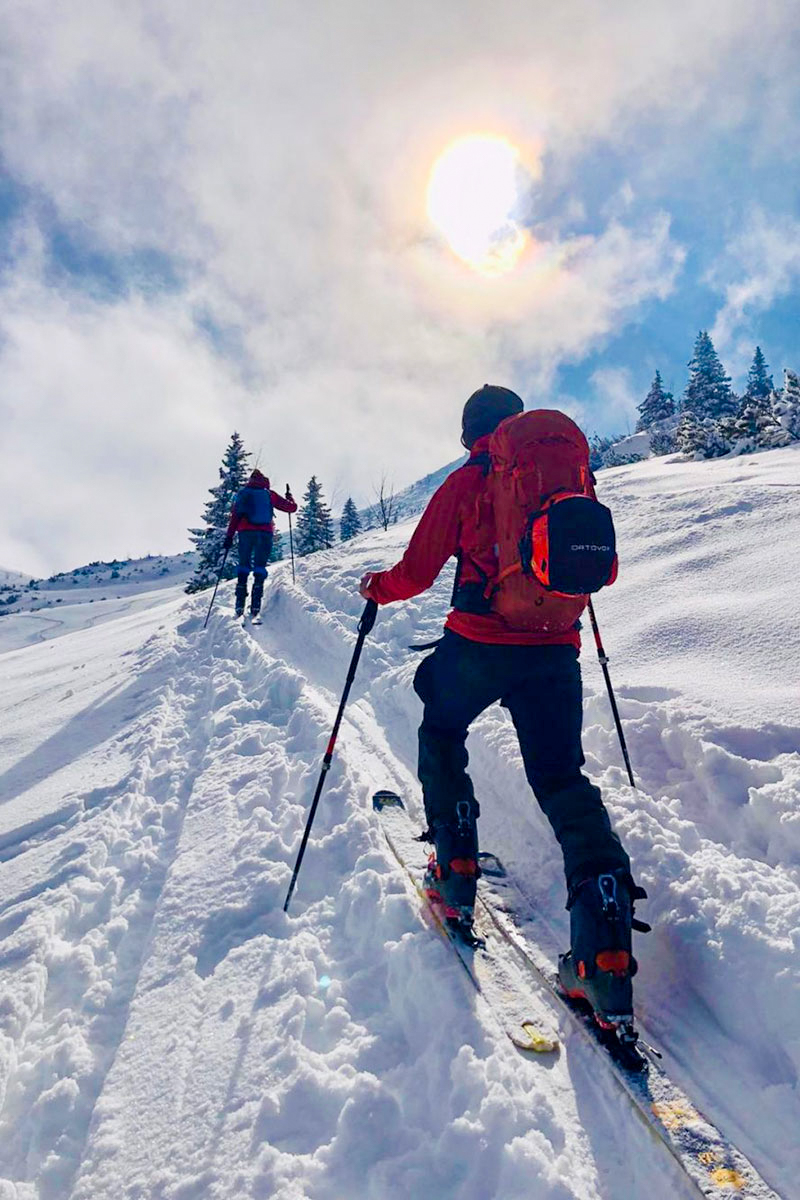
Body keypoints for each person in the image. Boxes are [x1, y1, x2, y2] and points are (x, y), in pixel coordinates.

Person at [359, 385, 646, 1026]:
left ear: (470, 434)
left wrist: (375, 588)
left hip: (479, 643)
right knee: (562, 779)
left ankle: (456, 866)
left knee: (441, 730)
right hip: (554, 649)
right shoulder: (564, 476)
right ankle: (603, 956)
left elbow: (417, 570)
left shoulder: (466, 482)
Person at [224, 470, 297, 618]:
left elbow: (235, 516)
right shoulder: (269, 494)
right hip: (265, 533)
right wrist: (290, 497)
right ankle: (256, 605)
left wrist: (229, 537)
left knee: (244, 566)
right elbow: (291, 508)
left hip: (245, 533)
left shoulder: (243, 494)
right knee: (260, 567)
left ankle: (239, 604)